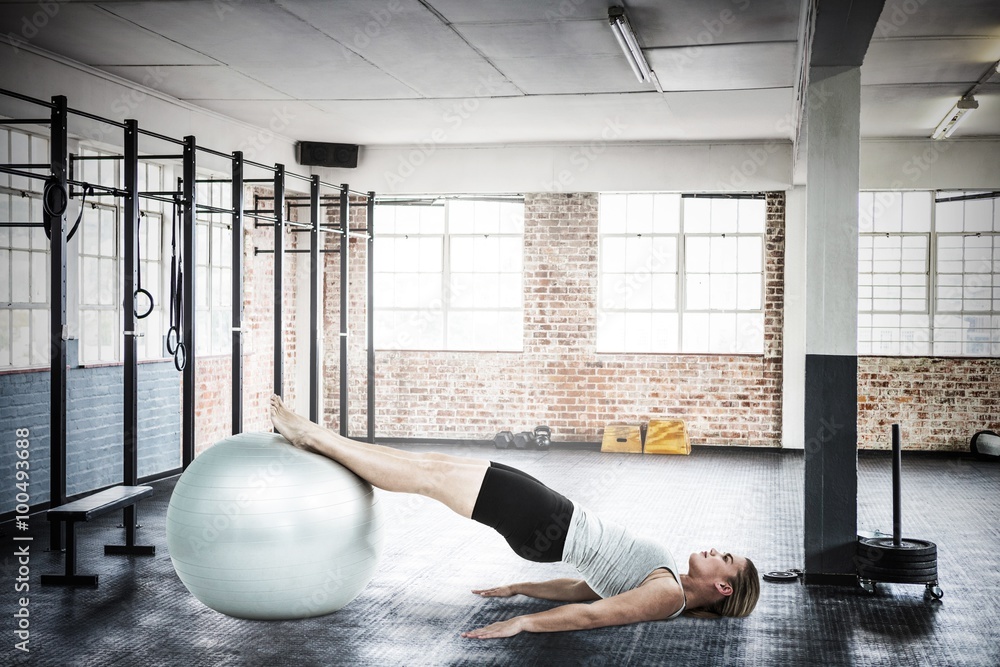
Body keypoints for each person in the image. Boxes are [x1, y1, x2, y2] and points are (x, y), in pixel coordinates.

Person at [269, 395, 759, 639]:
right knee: (428, 465)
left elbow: (593, 616)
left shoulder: (669, 594)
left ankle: (312, 438)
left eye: (726, 559)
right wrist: (520, 587)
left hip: (547, 520)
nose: (716, 550)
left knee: (425, 476)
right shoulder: (666, 580)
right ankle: (319, 435)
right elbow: (585, 589)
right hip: (549, 519)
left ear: (722, 588)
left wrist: (524, 623)